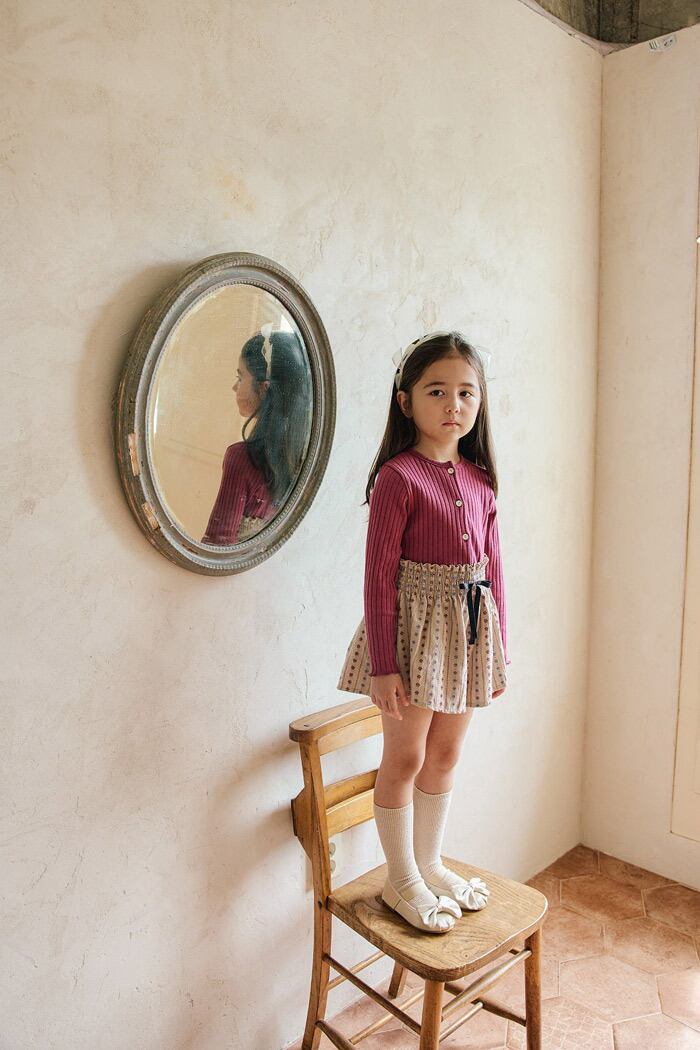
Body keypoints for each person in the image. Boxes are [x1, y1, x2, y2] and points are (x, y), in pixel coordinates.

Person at [337, 331, 510, 934]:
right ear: (406, 401)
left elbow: (494, 570)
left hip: (467, 635)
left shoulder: (481, 479)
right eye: (437, 391)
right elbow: (378, 576)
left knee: (446, 753)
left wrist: (499, 652)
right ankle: (400, 876)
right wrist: (384, 665)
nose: (453, 405)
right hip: (413, 637)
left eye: (466, 392)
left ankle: (431, 862)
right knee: (406, 755)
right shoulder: (399, 478)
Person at [202, 325, 311, 544]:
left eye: (240, 377)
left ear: (264, 387)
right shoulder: (306, 453)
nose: (234, 387)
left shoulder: (241, 459)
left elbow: (217, 544)